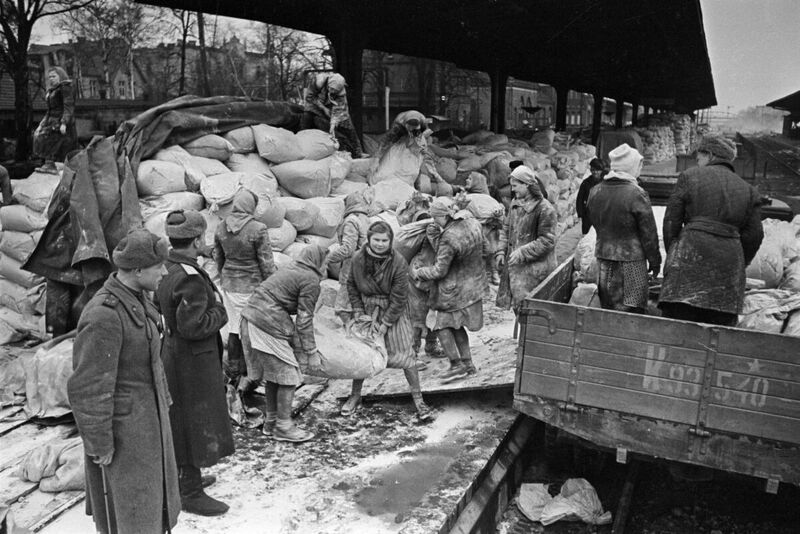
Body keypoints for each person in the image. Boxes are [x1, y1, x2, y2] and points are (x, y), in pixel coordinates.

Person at [67, 228, 180, 534]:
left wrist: (164, 400)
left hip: (148, 424)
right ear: (138, 270)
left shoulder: (137, 297)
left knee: (151, 510)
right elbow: (87, 388)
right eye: (160, 267)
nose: (166, 272)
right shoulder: (104, 315)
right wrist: (99, 443)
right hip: (125, 436)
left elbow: (151, 359)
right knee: (133, 517)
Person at [156, 210, 233, 516]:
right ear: (198, 239)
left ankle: (190, 478)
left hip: (175, 357)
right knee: (193, 423)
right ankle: (190, 491)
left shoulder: (168, 267)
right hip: (192, 363)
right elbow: (194, 325)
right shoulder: (189, 278)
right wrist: (221, 313)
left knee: (184, 421)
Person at [659, 134, 764, 325]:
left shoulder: (689, 177)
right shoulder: (749, 190)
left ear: (709, 154)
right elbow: (754, 236)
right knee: (718, 331)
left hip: (688, 258)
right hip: (729, 269)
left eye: (699, 158)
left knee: (677, 325)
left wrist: (673, 252)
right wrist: (740, 262)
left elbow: (671, 222)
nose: (697, 163)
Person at [341, 221, 432, 419]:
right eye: (376, 240)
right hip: (367, 310)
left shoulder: (398, 261)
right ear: (369, 239)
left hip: (394, 312)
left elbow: (400, 296)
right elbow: (351, 286)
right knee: (364, 353)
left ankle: (418, 399)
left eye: (385, 240)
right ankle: (355, 396)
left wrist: (386, 323)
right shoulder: (357, 258)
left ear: (390, 241)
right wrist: (358, 311)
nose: (380, 244)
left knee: (406, 355)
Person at [239, 245, 328, 442]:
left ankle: (272, 421)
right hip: (266, 322)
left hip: (252, 317)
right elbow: (304, 318)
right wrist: (311, 351)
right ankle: (284, 426)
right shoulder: (311, 280)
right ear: (318, 261)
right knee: (288, 376)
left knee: (274, 375)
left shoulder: (291, 269)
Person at [412, 197, 486, 383]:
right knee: (457, 326)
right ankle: (468, 364)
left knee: (441, 326)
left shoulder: (449, 237)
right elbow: (467, 251)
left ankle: (456, 364)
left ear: (443, 215)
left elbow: (439, 270)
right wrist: (436, 238)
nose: (434, 221)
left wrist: (419, 272)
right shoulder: (473, 222)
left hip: (453, 291)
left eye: (435, 217)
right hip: (473, 286)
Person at [586, 144, 661, 313]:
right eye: (639, 165)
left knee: (608, 307)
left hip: (604, 259)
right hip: (631, 262)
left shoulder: (595, 191)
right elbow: (648, 234)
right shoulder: (636, 193)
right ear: (631, 167)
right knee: (633, 309)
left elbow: (596, 222)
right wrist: (655, 261)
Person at [214, 189, 276, 381]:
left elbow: (219, 257)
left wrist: (224, 276)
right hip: (251, 285)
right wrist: (272, 285)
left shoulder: (221, 227)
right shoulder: (258, 228)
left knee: (234, 326)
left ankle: (234, 369)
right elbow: (266, 261)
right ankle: (252, 373)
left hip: (230, 284)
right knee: (251, 329)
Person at [495, 165, 558, 314]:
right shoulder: (515, 204)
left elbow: (547, 240)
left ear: (527, 185)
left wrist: (522, 252)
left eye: (515, 186)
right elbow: (506, 228)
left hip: (535, 270)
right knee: (520, 308)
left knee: (532, 312)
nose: (513, 190)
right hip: (517, 268)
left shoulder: (545, 209)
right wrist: (500, 251)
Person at [326, 190, 370, 325]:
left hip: (353, 268)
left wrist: (327, 259)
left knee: (343, 307)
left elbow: (348, 249)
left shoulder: (351, 220)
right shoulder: (366, 220)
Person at [301, 71, 363, 158]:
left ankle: (358, 152)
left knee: (347, 124)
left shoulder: (341, 93)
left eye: (335, 91)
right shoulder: (318, 82)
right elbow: (310, 97)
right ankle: (301, 141)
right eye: (331, 89)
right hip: (315, 102)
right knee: (307, 116)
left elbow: (339, 110)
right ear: (328, 84)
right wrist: (323, 108)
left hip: (331, 105)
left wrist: (333, 124)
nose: (332, 91)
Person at [33, 66, 78, 174]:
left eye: (54, 76)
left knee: (51, 139)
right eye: (49, 77)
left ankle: (50, 164)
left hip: (61, 120)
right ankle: (47, 163)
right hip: (51, 120)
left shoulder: (65, 88)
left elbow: (68, 106)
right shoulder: (52, 90)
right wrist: (42, 124)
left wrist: (64, 123)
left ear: (60, 76)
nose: (51, 79)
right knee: (39, 136)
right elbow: (49, 110)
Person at [575, 158, 606, 234]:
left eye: (598, 170)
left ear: (602, 171)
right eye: (593, 170)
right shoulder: (586, 183)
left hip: (602, 214)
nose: (595, 172)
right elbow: (580, 199)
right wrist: (580, 214)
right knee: (586, 235)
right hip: (588, 214)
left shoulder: (606, 183)